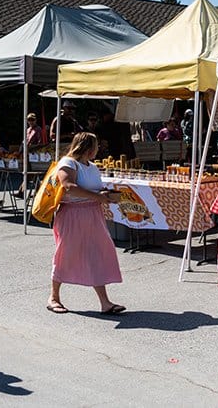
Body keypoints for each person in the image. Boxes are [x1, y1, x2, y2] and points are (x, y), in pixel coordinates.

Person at [46, 132, 125, 315]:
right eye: (96, 146)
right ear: (88, 147)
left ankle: (105, 303)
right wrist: (99, 196)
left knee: (97, 254)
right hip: (73, 215)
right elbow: (68, 186)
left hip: (92, 214)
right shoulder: (68, 162)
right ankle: (53, 297)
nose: (98, 149)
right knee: (66, 254)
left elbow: (91, 188)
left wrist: (106, 194)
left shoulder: (91, 166)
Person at [15, 113, 43, 199]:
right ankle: (38, 191)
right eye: (29, 120)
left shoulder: (38, 129)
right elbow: (24, 141)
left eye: (32, 120)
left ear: (35, 120)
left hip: (33, 153)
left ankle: (21, 191)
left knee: (29, 173)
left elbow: (40, 142)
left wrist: (33, 148)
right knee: (30, 174)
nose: (31, 121)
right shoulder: (27, 130)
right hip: (26, 152)